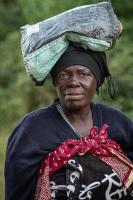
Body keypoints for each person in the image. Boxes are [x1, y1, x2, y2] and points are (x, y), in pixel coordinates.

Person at [5, 42, 133, 200]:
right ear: (55, 82)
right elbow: (18, 190)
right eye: (64, 75)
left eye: (83, 74)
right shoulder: (32, 130)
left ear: (97, 81)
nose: (73, 82)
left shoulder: (117, 122)